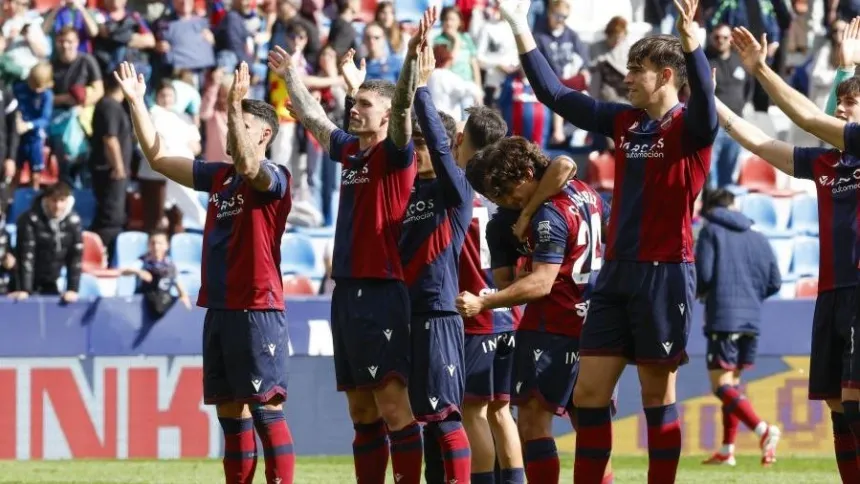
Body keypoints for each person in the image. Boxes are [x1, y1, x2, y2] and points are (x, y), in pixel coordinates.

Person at [498, 0, 718, 480]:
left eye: (636, 71)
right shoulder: (625, 123)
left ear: (664, 76)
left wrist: (693, 45)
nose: (626, 79)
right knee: (588, 395)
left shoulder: (691, 127)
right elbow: (555, 94)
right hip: (615, 274)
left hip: (664, 272)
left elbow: (706, 99)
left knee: (658, 396)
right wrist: (520, 28)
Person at [113, 60, 294, 484]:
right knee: (231, 412)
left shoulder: (273, 177)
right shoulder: (218, 178)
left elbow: (252, 168)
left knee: (267, 409)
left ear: (263, 133)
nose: (231, 131)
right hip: (220, 307)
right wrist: (138, 103)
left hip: (257, 306)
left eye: (240, 124)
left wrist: (232, 103)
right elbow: (157, 158)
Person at [268, 4, 425, 480]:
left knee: (395, 406)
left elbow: (399, 107)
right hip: (348, 293)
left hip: (383, 290)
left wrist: (411, 64)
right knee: (361, 410)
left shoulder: (395, 154)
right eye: (354, 105)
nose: (353, 110)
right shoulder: (353, 152)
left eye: (362, 106)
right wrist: (293, 76)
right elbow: (315, 120)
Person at [714, 23, 860, 474]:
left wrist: (759, 69)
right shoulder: (825, 163)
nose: (841, 106)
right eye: (842, 100)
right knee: (838, 408)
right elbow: (757, 140)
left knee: (855, 406)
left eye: (851, 102)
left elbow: (808, 119)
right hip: (831, 294)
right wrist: (705, 96)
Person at [458, 136, 610, 484]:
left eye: (512, 194)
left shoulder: (547, 214)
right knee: (589, 425)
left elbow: (539, 284)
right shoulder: (587, 193)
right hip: (595, 324)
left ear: (527, 173)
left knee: (531, 419)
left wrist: (484, 302)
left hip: (552, 324)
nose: (510, 203)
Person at [398, 26, 473, 483]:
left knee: (445, 415)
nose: (419, 155)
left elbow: (443, 151)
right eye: (417, 147)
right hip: (405, 312)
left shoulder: (454, 190)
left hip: (440, 311)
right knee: (421, 420)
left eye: (424, 146)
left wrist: (422, 90)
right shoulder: (404, 192)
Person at [695, 188, 782, 466]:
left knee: (720, 385)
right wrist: (750, 298)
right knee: (733, 384)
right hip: (752, 320)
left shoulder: (711, 231)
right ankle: (727, 449)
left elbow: (704, 274)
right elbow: (775, 282)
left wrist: (702, 291)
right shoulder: (758, 236)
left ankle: (763, 429)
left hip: (724, 316)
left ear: (710, 208)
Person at [728, 20, 860, 159]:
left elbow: (811, 120)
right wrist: (845, 67)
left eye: (850, 102)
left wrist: (761, 71)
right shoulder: (827, 165)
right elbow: (760, 145)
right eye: (839, 102)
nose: (840, 108)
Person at [8, 180, 81, 303]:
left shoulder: (73, 222)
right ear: (46, 200)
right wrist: (26, 290)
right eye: (54, 200)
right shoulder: (29, 220)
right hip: (25, 282)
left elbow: (75, 258)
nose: (57, 206)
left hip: (50, 281)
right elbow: (27, 256)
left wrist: (72, 289)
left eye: (62, 200)